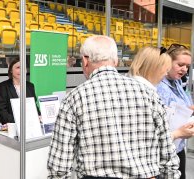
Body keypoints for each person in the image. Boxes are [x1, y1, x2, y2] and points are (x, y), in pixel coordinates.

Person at [47, 35, 180, 179]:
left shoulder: (73, 98)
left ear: (85, 61)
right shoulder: (149, 94)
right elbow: (168, 156)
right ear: (115, 61)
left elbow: (59, 168)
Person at [157, 43, 194, 179]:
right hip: (164, 149)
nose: (184, 69)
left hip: (178, 146)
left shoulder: (178, 82)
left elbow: (187, 105)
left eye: (187, 67)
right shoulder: (158, 85)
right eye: (180, 65)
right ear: (168, 62)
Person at [0, 58, 40, 124]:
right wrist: (19, 122)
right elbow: (1, 111)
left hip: (31, 125)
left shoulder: (30, 86)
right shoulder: (2, 87)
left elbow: (34, 106)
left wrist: (38, 116)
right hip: (11, 126)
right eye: (18, 67)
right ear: (11, 70)